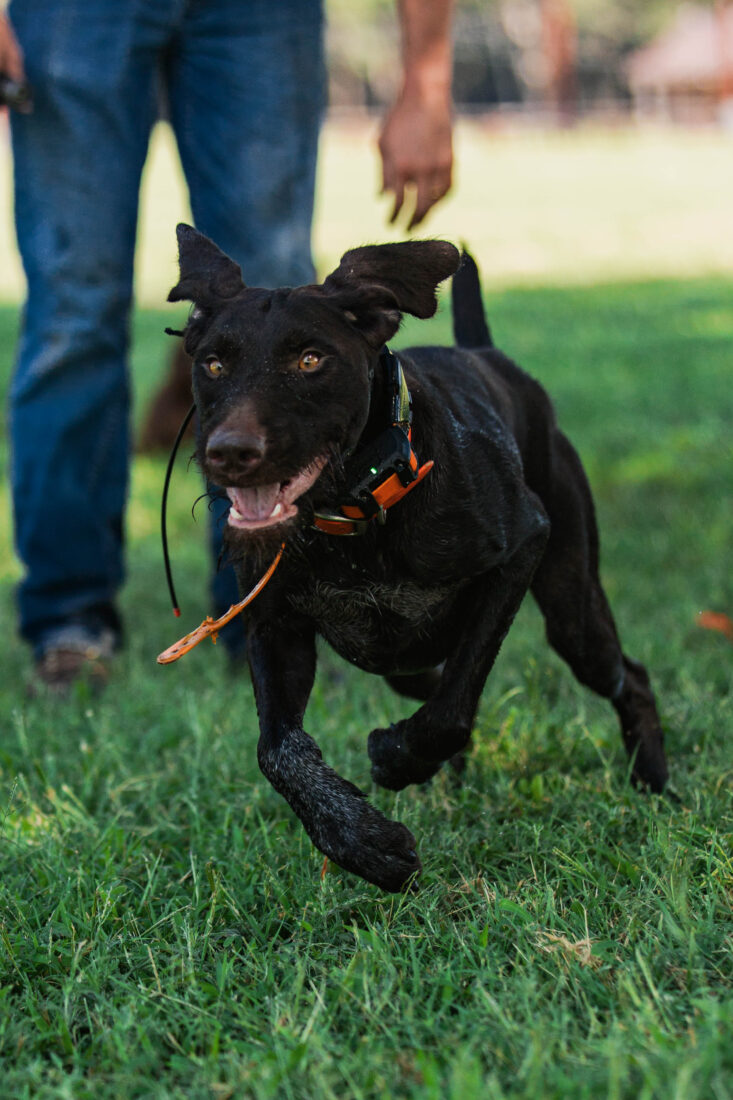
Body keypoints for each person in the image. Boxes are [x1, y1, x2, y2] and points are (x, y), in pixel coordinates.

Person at [0, 0, 454, 693]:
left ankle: (265, 618)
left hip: (258, 16)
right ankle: (68, 622)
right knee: (73, 313)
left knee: (276, 311)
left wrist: (425, 81)